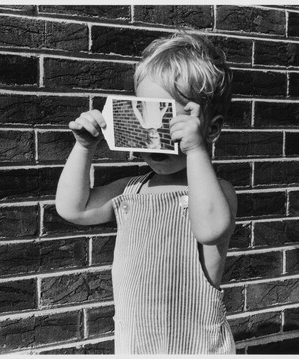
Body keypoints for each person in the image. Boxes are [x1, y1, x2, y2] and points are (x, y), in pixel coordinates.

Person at [55, 32, 236, 354]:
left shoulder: (216, 192)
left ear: (211, 128)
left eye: (173, 118)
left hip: (196, 344)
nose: (157, 131)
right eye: (145, 116)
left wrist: (195, 150)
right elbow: (74, 209)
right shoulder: (130, 190)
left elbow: (210, 230)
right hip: (138, 343)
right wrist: (84, 147)